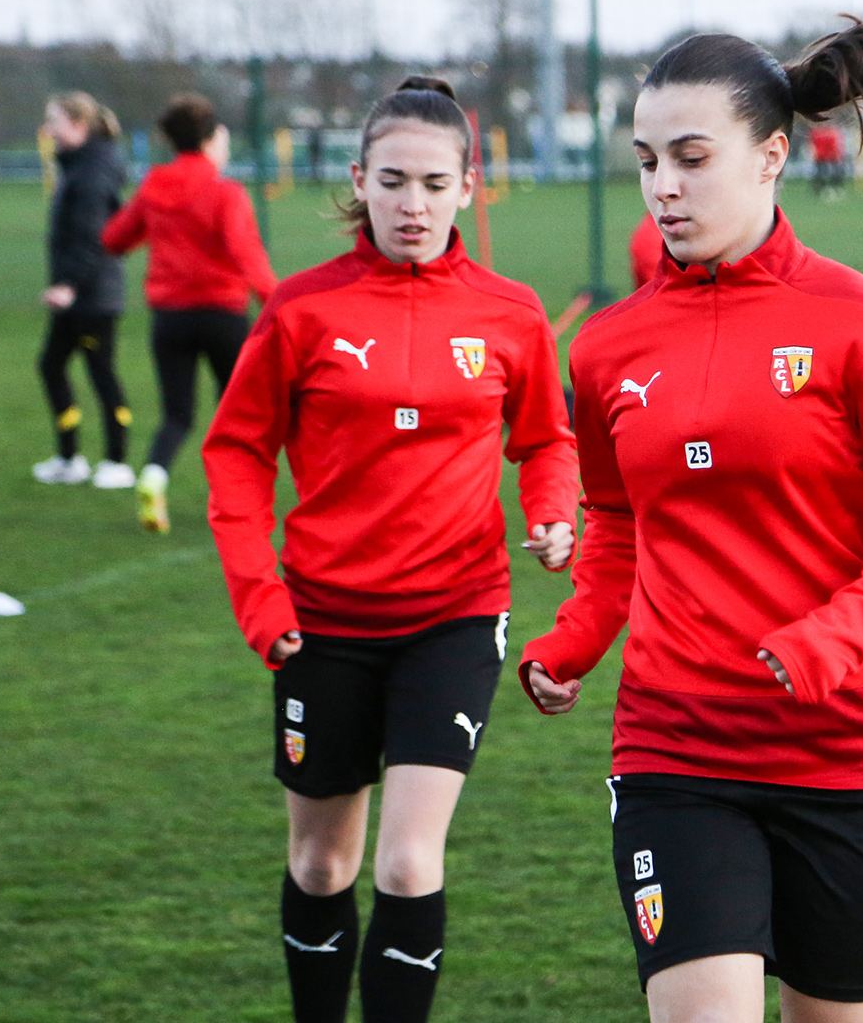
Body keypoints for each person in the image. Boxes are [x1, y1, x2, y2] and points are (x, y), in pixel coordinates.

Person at [521, 17, 863, 1023]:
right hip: (675, 753)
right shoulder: (605, 349)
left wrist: (835, 639)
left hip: (849, 754)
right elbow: (615, 521)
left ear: (772, 157)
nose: (663, 188)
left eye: (691, 158)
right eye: (647, 162)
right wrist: (576, 639)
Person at [203, 76, 578, 1023]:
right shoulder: (301, 311)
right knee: (322, 860)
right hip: (319, 624)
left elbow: (547, 437)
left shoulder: (510, 311)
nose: (414, 205)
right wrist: (261, 600)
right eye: (395, 181)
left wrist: (553, 510)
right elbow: (236, 454)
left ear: (468, 187)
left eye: (435, 183)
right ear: (360, 180)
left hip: (454, 616)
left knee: (409, 859)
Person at [103, 93, 277, 533]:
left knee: (176, 413)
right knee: (236, 413)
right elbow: (247, 256)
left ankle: (154, 475)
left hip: (170, 319)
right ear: (209, 138)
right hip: (222, 314)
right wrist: (277, 304)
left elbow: (115, 239)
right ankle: (236, 499)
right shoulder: (225, 192)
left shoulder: (154, 186)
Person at [33, 91, 135, 489]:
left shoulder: (94, 170)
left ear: (77, 125)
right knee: (52, 365)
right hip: (79, 291)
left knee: (100, 371)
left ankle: (116, 461)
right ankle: (69, 457)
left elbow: (96, 238)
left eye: (54, 120)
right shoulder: (78, 166)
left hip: (93, 293)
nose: (48, 129)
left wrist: (70, 285)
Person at [809, 122, 847, 198]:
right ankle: (829, 189)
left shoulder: (820, 134)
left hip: (826, 157)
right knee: (823, 174)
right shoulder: (831, 133)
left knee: (823, 174)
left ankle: (824, 189)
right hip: (826, 157)